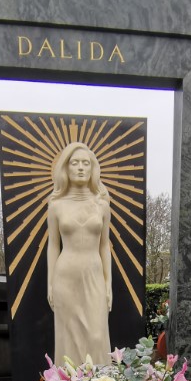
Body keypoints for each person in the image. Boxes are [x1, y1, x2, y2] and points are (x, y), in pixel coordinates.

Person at [46, 141, 112, 365]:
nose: (81, 168)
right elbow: (53, 246)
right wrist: (50, 284)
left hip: (94, 275)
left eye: (86, 163)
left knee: (96, 335)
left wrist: (108, 283)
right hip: (65, 277)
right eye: (75, 163)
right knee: (68, 341)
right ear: (66, 168)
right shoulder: (55, 205)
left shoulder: (102, 204)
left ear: (93, 168)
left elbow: (105, 245)